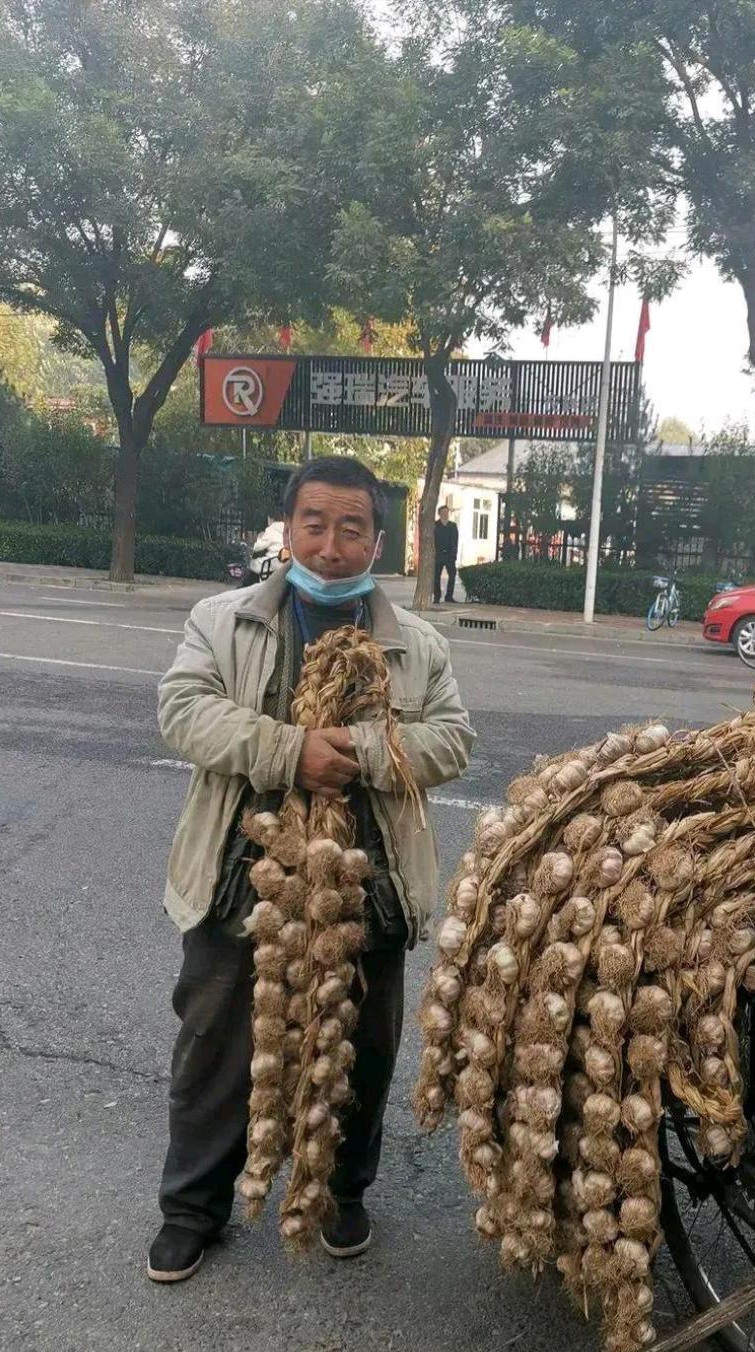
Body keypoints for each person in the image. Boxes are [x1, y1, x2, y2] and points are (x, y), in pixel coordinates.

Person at [148, 456, 475, 1284]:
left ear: (378, 536)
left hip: (368, 876)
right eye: (315, 525)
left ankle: (341, 1193)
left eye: (352, 527)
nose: (331, 546)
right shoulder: (222, 620)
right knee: (217, 1042)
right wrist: (288, 751)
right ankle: (192, 1207)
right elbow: (182, 711)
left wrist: (360, 754)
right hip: (240, 872)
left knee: (361, 1042)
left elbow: (451, 740)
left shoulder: (417, 643)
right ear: (289, 530)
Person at [434, 504, 459, 604]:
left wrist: (454, 555)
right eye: (443, 513)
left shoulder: (453, 526)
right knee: (436, 577)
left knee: (452, 575)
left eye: (447, 513)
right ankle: (437, 596)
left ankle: (449, 596)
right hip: (438, 555)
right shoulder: (435, 525)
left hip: (449, 555)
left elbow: (455, 541)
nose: (445, 514)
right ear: (439, 514)